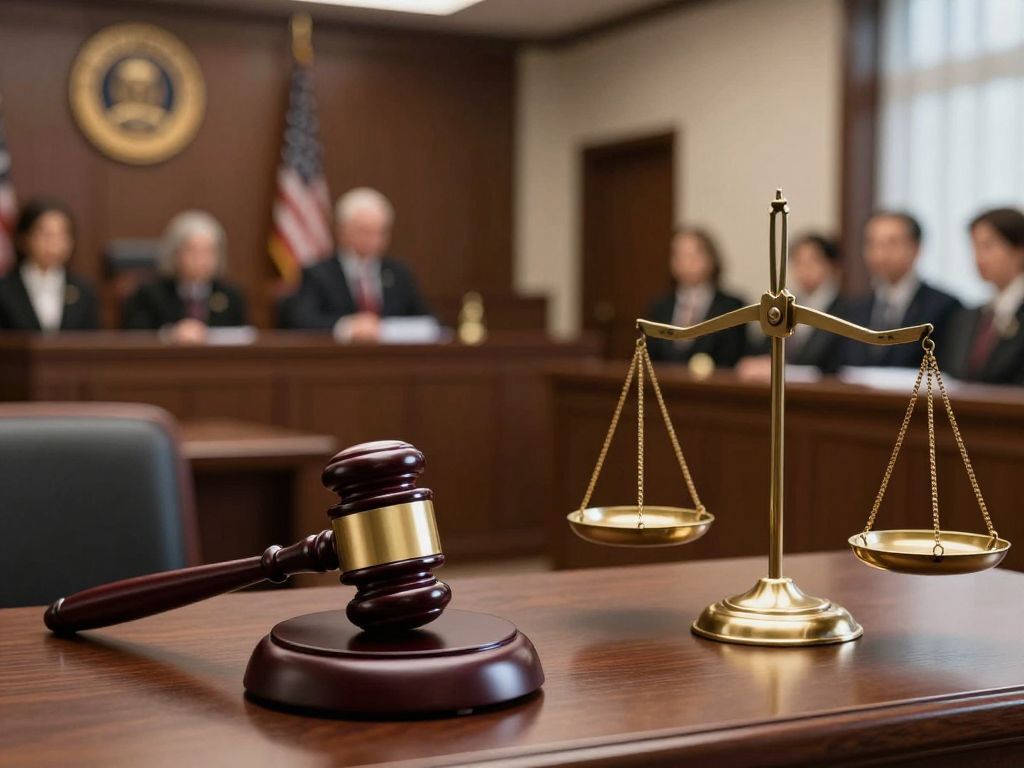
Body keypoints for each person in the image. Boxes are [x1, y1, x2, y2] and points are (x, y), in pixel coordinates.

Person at [286, 187, 431, 341]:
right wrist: (348, 326)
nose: (373, 240)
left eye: (379, 232)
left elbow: (428, 321)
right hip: (338, 359)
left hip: (391, 359)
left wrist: (385, 328)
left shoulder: (398, 273)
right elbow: (301, 321)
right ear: (342, 231)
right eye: (364, 231)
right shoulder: (318, 274)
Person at [841, 211, 961, 368]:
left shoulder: (945, 307)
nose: (880, 254)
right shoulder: (855, 309)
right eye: (872, 244)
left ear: (916, 248)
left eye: (892, 243)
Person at [122, 211, 247, 342]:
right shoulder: (150, 294)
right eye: (192, 250)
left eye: (209, 251)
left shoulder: (231, 295)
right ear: (175, 253)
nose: (201, 260)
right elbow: (133, 337)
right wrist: (169, 334)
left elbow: (245, 336)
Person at [737, 233, 848, 379]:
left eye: (812, 262)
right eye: (798, 262)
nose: (804, 269)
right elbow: (763, 347)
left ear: (831, 265)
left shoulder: (844, 309)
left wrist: (785, 370)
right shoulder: (785, 304)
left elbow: (831, 364)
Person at [646, 227, 747, 368]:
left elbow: (734, 357)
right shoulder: (660, 306)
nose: (685, 262)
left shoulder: (732, 306)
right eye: (678, 255)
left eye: (693, 255)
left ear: (711, 258)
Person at [944, 208, 1024, 385]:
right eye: (975, 247)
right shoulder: (969, 316)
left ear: (1019, 250)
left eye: (988, 246)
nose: (979, 258)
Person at [0, 199, 99, 332]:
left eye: (62, 235)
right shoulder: (4, 290)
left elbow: (94, 343)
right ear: (24, 238)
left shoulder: (84, 291)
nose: (54, 245)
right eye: (46, 235)